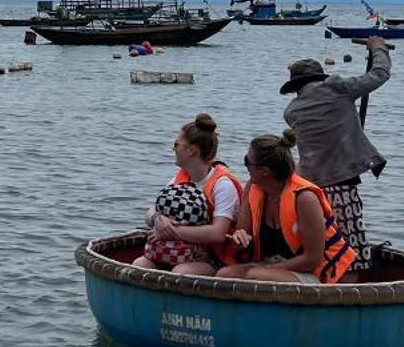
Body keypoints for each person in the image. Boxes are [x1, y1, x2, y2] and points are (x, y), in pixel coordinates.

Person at [279, 39, 391, 270]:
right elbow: (379, 73)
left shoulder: (291, 111)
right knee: (352, 249)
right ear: (319, 78)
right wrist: (377, 47)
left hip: (308, 186)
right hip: (341, 182)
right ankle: (353, 287)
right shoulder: (337, 87)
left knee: (323, 242)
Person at [217, 132, 358, 284]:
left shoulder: (304, 198)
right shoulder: (254, 188)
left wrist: (268, 270)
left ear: (264, 170)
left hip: (312, 272)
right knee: (224, 274)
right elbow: (243, 232)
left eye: (247, 161)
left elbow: (312, 259)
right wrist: (240, 236)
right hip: (273, 264)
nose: (246, 167)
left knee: (255, 276)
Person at [134, 112, 243, 276]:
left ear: (191, 150)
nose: (173, 148)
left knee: (181, 272)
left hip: (214, 256)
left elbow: (217, 233)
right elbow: (152, 210)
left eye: (176, 144)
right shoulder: (181, 177)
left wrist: (170, 231)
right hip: (178, 251)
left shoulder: (223, 185)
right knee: (140, 264)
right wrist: (157, 219)